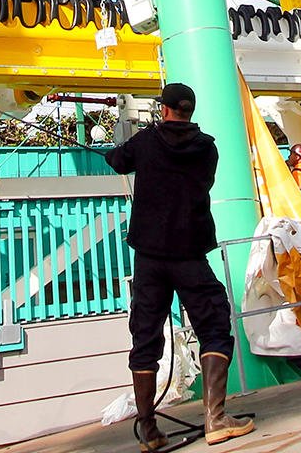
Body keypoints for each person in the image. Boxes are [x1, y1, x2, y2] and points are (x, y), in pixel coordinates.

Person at [104, 82, 254, 451]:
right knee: (215, 325)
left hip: (150, 258)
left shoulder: (146, 141)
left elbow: (117, 160)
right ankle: (216, 417)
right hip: (190, 253)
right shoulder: (207, 148)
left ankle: (150, 430)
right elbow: (202, 182)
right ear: (189, 110)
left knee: (145, 337)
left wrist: (120, 148)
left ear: (165, 109)